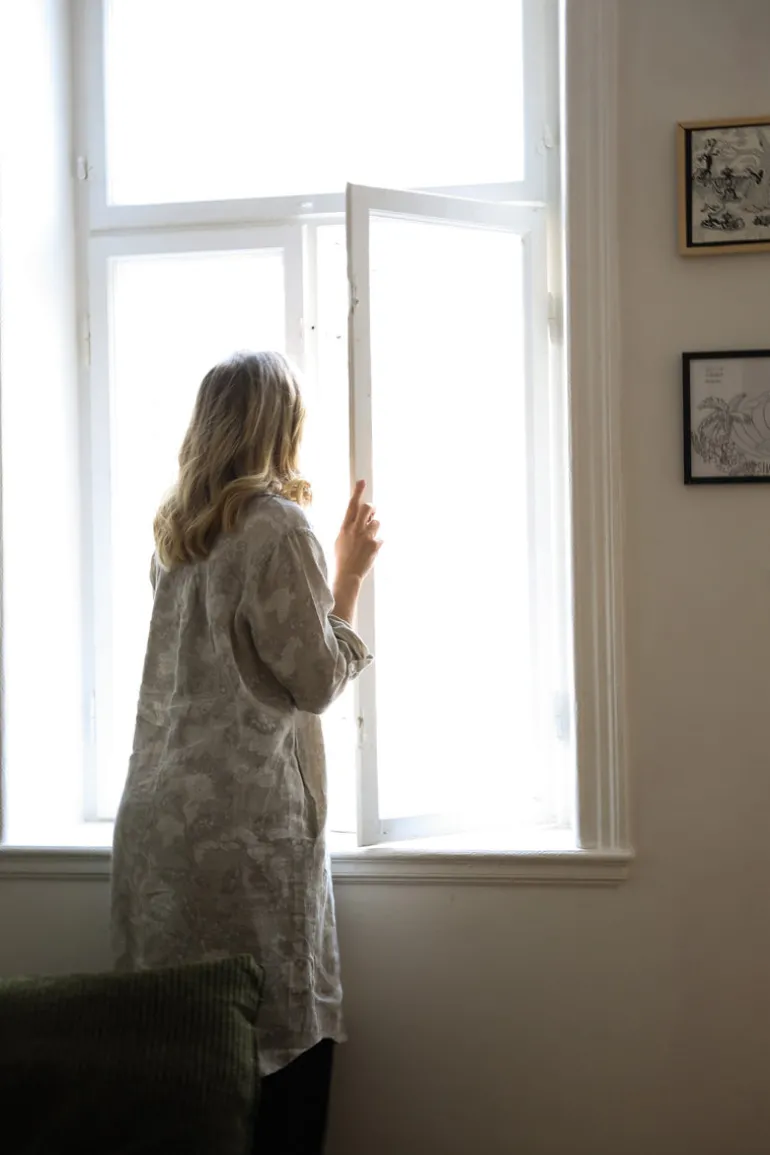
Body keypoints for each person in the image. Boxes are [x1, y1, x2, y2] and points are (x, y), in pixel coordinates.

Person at [110, 350, 382, 1154]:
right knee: (278, 1052)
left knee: (183, 1063)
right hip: (245, 833)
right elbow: (313, 679)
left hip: (158, 831)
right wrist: (349, 577)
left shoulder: (176, 533)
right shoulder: (276, 525)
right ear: (282, 425)